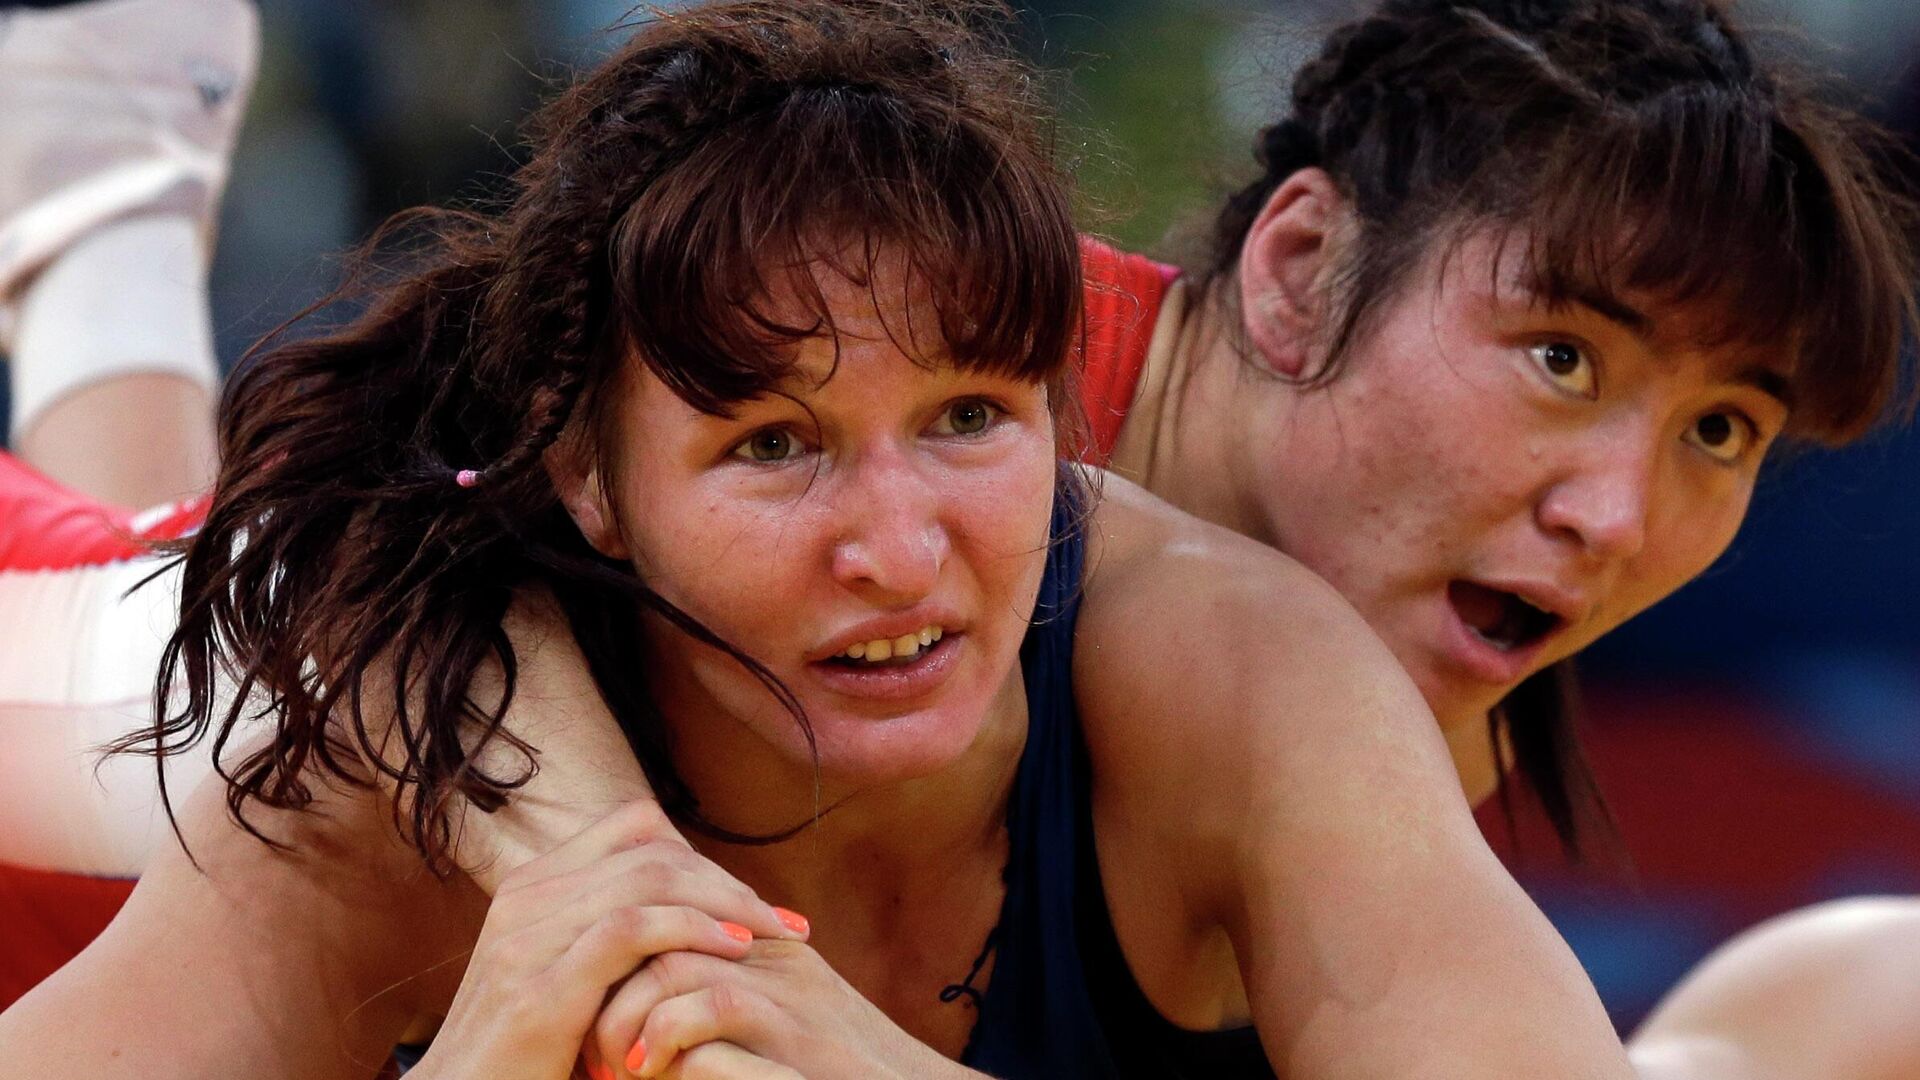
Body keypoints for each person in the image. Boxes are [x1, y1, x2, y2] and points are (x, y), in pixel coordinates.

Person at [0, 2, 1636, 1078]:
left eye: (969, 420)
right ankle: (110, 219)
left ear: (1064, 410)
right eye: (774, 448)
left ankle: (104, 206)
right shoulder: (401, 737)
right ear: (588, 475)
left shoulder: (1242, 668)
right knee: (166, 636)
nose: (900, 553)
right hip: (176, 675)